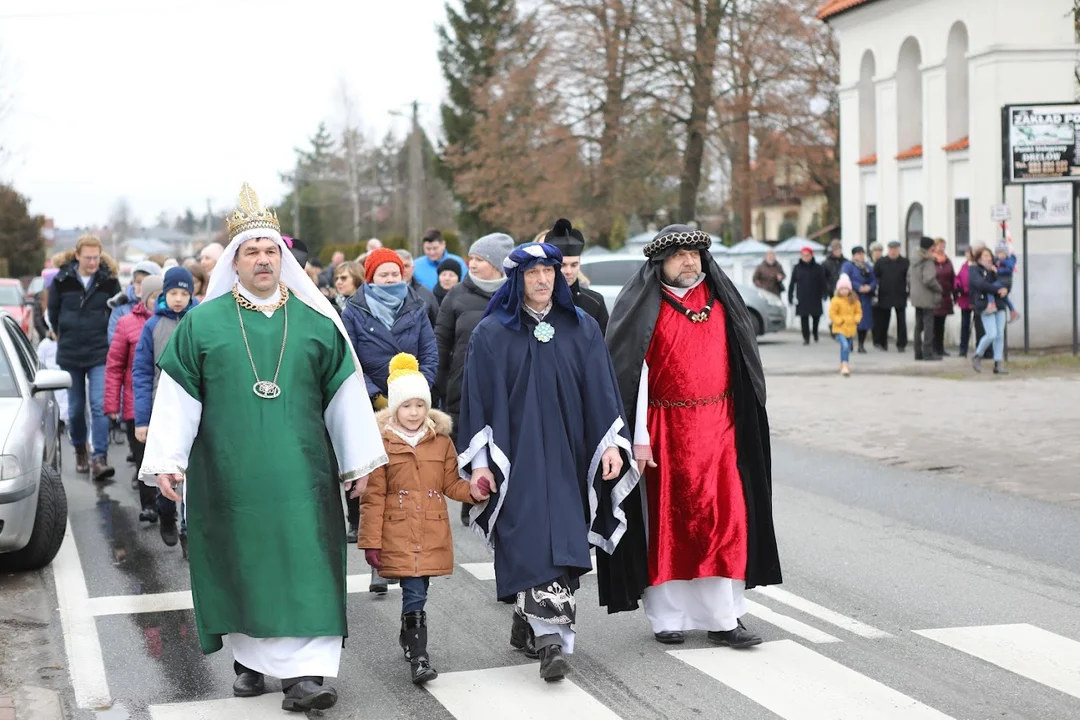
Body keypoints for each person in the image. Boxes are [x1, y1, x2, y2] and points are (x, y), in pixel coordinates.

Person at [139, 183, 387, 712]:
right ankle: (250, 660)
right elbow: (177, 398)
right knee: (244, 566)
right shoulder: (203, 324)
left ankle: (305, 677)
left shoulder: (319, 324)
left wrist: (358, 461)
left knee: (306, 564)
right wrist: (166, 459)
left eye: (271, 250)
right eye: (251, 251)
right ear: (234, 261)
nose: (263, 259)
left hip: (304, 476)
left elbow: (345, 397)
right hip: (230, 476)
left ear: (283, 257)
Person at [457, 242, 637, 682]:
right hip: (516, 460)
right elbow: (477, 402)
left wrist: (611, 446)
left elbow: (602, 390)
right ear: (517, 278)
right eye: (534, 272)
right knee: (531, 538)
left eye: (550, 271)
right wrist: (481, 463)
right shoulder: (493, 333)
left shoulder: (582, 328)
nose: (543, 280)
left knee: (566, 540)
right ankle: (551, 642)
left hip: (570, 456)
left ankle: (530, 622)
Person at [602, 225, 780, 649]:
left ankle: (724, 618)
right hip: (663, 432)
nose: (689, 261)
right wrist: (638, 438)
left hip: (720, 430)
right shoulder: (643, 308)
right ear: (660, 262)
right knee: (667, 524)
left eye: (695, 254)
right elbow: (632, 378)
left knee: (725, 520)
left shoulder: (722, 303)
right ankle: (668, 617)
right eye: (680, 254)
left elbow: (744, 371)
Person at [357, 353, 484, 685]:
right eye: (406, 406)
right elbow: (373, 497)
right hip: (396, 531)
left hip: (430, 531)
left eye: (419, 405)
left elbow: (450, 483)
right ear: (394, 409)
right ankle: (420, 657)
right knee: (414, 591)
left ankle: (408, 635)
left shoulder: (440, 442)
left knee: (418, 590)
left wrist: (473, 491)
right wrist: (371, 542)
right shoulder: (382, 443)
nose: (413, 413)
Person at [341, 247, 438, 568]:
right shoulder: (354, 310)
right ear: (370, 278)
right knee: (371, 475)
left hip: (409, 405)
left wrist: (415, 393)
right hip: (370, 403)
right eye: (383, 274)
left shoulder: (417, 306)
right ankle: (370, 542)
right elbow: (349, 358)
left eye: (394, 274)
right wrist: (374, 395)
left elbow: (430, 352)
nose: (390, 279)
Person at [432, 233, 513, 526]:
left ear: (496, 263)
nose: (472, 264)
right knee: (469, 442)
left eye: (479, 259)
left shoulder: (514, 293)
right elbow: (440, 342)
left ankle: (503, 495)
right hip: (463, 385)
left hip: (506, 386)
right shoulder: (457, 295)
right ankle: (471, 498)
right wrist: (435, 386)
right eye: (472, 258)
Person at [47, 235, 123, 479]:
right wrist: (64, 333)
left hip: (100, 351)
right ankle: (80, 447)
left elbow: (117, 313)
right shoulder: (61, 280)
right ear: (77, 255)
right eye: (88, 257)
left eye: (96, 257)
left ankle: (99, 457)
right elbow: (53, 313)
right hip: (70, 353)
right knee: (77, 408)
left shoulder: (109, 282)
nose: (92, 262)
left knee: (100, 405)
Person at [133, 267, 198, 548]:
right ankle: (166, 512)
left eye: (184, 293)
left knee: (191, 470)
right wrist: (142, 419)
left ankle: (188, 528)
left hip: (193, 406)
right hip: (163, 408)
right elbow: (142, 373)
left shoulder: (199, 321)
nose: (179, 299)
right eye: (173, 293)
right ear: (164, 294)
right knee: (166, 465)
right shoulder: (152, 326)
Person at [106, 275, 163, 521]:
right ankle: (148, 505)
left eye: (162, 296)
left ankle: (166, 504)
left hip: (164, 401)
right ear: (144, 298)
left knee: (164, 455)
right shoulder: (126, 323)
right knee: (142, 456)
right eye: (153, 296)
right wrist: (111, 403)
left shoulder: (178, 322)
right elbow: (115, 365)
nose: (157, 301)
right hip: (134, 403)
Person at [542, 219, 609, 333]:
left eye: (574, 265)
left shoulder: (594, 302)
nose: (568, 271)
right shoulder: (538, 299)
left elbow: (605, 344)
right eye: (563, 265)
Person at [970, 246, 1010, 374]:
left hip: (999, 304)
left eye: (989, 256)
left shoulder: (997, 269)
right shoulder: (974, 270)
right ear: (979, 258)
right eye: (985, 256)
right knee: (991, 334)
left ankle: (998, 364)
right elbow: (980, 285)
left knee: (999, 335)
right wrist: (997, 289)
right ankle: (977, 355)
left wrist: (997, 276)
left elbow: (1005, 282)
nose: (988, 258)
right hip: (985, 304)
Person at [107, 260, 162, 343]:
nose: (141, 286)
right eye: (138, 282)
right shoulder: (121, 307)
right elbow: (114, 340)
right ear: (133, 282)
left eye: (146, 282)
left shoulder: (162, 306)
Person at [908, 237, 943, 362]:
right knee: (928, 325)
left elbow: (908, 277)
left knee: (919, 324)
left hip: (916, 295)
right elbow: (929, 279)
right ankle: (928, 352)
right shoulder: (928, 261)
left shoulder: (914, 259)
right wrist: (939, 288)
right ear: (930, 247)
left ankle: (918, 352)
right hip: (927, 296)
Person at [872, 241, 909, 351]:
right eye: (891, 249)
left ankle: (901, 344)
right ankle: (883, 342)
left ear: (899, 250)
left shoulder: (905, 262)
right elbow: (875, 277)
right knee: (884, 320)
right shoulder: (881, 262)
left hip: (900, 294)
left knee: (901, 321)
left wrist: (908, 292)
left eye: (895, 249)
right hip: (885, 295)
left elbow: (909, 278)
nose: (893, 252)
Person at [840, 247, 877, 353]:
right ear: (853, 255)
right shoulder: (848, 266)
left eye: (862, 254)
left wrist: (870, 287)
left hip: (865, 298)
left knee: (863, 322)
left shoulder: (867, 267)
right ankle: (849, 343)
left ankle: (861, 344)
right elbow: (845, 278)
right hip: (852, 297)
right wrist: (858, 286)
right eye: (858, 254)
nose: (861, 256)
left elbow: (873, 279)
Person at [787, 247, 826, 344]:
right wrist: (790, 296)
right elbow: (792, 283)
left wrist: (824, 293)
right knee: (803, 318)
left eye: (807, 255)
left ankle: (815, 332)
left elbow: (823, 282)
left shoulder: (818, 268)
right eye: (803, 255)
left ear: (811, 255)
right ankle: (806, 337)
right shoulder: (797, 268)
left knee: (816, 316)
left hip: (815, 296)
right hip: (802, 296)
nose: (805, 257)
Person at [829, 274, 861, 377]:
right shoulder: (835, 300)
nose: (844, 291)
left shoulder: (854, 300)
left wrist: (856, 319)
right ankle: (845, 365)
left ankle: (844, 363)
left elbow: (858, 312)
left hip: (851, 328)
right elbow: (832, 313)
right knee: (845, 346)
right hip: (839, 328)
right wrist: (839, 321)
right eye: (842, 289)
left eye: (846, 288)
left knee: (846, 347)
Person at [397, 249, 439, 326]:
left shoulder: (427, 295)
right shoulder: (381, 294)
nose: (403, 270)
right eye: (399, 265)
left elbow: (436, 326)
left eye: (406, 266)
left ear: (413, 269)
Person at [932, 239, 956, 357]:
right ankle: (932, 348)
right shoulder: (931, 261)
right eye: (939, 246)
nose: (942, 248)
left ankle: (940, 348)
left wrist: (955, 294)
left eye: (943, 246)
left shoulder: (947, 262)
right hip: (933, 297)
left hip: (945, 297)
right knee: (932, 324)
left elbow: (953, 278)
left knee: (941, 324)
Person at [955, 247, 976, 357]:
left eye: (969, 253)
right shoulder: (964, 265)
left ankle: (980, 348)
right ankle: (963, 349)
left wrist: (966, 289)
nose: (967, 255)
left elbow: (975, 281)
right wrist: (958, 286)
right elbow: (958, 277)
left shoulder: (976, 266)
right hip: (964, 300)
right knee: (965, 325)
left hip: (975, 298)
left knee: (978, 325)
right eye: (966, 253)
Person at [995, 241, 1021, 322]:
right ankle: (1013, 310)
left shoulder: (1009, 260)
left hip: (1005, 282)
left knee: (992, 286)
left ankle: (991, 304)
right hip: (1001, 280)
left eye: (1000, 253)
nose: (998, 255)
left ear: (1005, 253)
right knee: (1004, 296)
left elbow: (1009, 270)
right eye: (997, 253)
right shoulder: (998, 259)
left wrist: (998, 270)